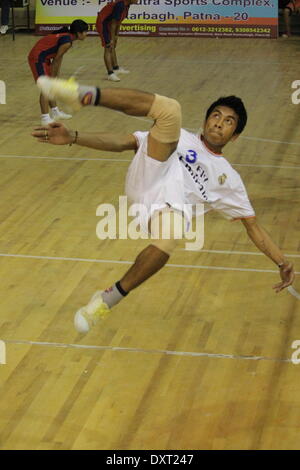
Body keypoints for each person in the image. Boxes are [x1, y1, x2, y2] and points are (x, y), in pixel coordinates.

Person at [32, 76, 295, 334]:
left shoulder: (231, 181)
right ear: (205, 120)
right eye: (216, 115)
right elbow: (125, 142)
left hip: (167, 210)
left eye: (229, 122)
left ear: (234, 136)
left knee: (170, 238)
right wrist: (74, 136)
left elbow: (253, 227)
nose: (219, 124)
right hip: (151, 174)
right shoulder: (177, 137)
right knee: (170, 109)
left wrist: (282, 262)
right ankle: (83, 95)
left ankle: (105, 301)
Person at [28, 20, 88, 125]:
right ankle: (45, 118)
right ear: (78, 33)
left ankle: (55, 112)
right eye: (85, 32)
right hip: (37, 58)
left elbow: (58, 58)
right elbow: (56, 60)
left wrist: (56, 75)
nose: (86, 34)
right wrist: (53, 76)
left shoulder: (68, 39)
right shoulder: (67, 42)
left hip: (44, 58)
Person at [96, 0, 138, 82]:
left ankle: (115, 68)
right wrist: (112, 39)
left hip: (110, 24)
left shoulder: (126, 6)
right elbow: (113, 23)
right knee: (108, 47)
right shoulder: (120, 5)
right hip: (103, 24)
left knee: (113, 45)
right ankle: (110, 74)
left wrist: (116, 36)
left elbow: (119, 22)